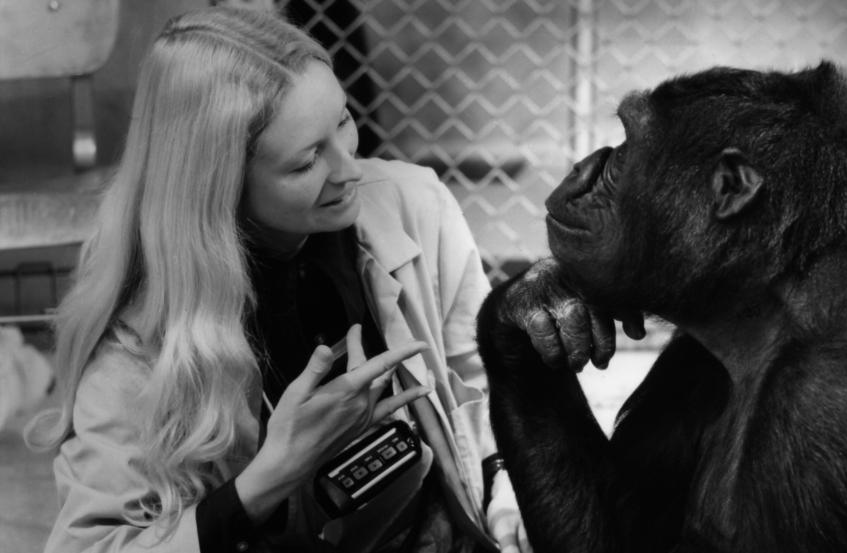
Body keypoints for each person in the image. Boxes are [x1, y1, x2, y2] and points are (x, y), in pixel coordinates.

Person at [25, 7, 530, 553]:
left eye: (342, 121)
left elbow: (483, 381)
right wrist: (269, 477)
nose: (349, 169)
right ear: (220, 185)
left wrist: (507, 486)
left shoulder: (417, 206)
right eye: (307, 160)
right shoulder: (136, 339)